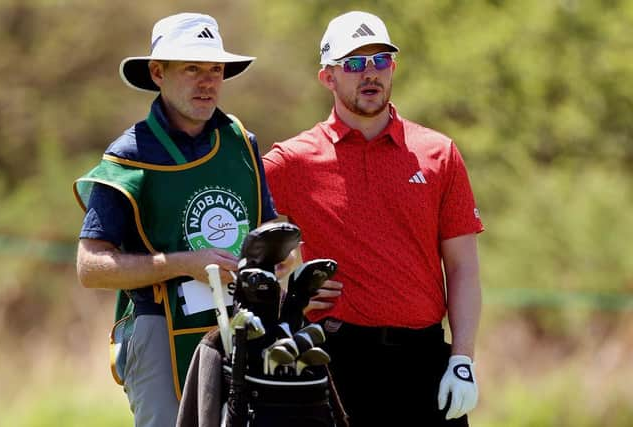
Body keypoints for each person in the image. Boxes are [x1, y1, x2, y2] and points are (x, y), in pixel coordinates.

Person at [263, 10, 484, 426]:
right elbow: (242, 255)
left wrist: (463, 359)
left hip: (424, 362)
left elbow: (463, 268)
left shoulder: (438, 154)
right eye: (354, 64)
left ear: (393, 68)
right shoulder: (291, 161)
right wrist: (287, 297)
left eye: (380, 61)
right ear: (328, 77)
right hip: (333, 360)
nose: (370, 74)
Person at [73, 13, 279, 427]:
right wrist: (182, 264)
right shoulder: (128, 156)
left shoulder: (242, 141)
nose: (207, 81)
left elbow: (265, 233)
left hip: (241, 325)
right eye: (192, 68)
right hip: (158, 327)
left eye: (215, 69)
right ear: (157, 73)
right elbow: (90, 267)